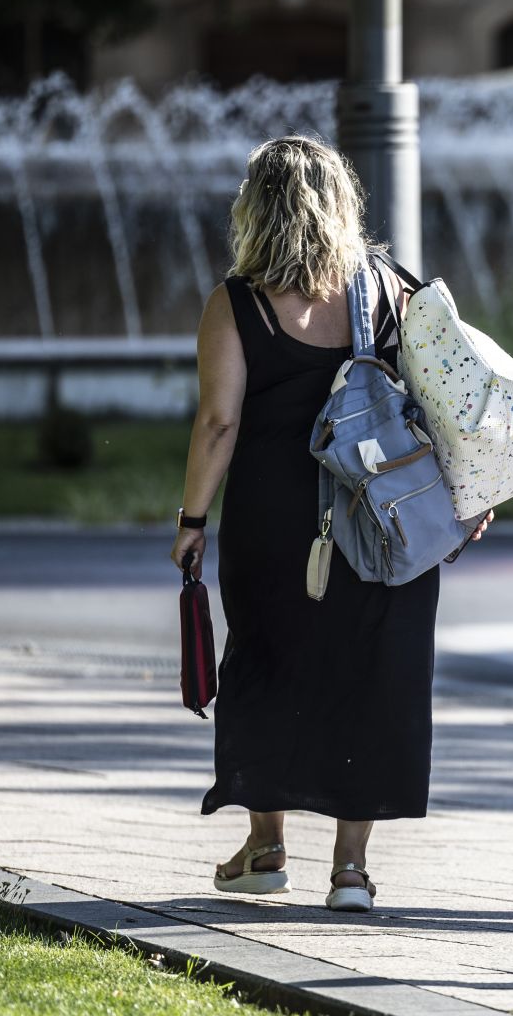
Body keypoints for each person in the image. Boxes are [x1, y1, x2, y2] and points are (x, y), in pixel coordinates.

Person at [171, 135, 484, 914]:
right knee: (376, 678)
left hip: (275, 523)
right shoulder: (390, 289)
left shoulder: (237, 301)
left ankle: (267, 845)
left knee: (266, 669)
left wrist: (192, 518)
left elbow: (218, 422)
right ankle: (351, 872)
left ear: (257, 207)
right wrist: (470, 495)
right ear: (341, 205)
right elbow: (457, 397)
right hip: (386, 522)